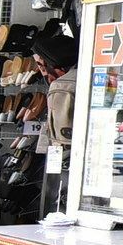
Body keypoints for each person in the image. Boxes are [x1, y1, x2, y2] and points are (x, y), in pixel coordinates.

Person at [32, 29, 79, 214]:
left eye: (42, 65)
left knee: (56, 208)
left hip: (64, 157)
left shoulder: (61, 85)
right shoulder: (83, 76)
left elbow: (57, 134)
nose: (41, 71)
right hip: (74, 155)